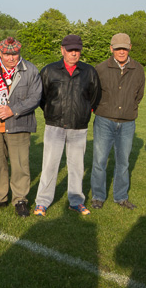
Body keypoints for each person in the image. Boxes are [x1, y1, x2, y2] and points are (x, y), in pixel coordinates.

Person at [33, 35, 101, 217]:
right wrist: (53, 112)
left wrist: (83, 112)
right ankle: (42, 202)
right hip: (54, 125)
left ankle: (76, 201)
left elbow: (95, 97)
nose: (74, 53)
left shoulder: (89, 72)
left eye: (77, 50)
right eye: (70, 50)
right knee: (49, 165)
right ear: (62, 50)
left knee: (77, 167)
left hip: (79, 127)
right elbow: (42, 98)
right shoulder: (49, 70)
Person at [0, 37, 41, 217]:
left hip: (19, 123)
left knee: (20, 164)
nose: (11, 58)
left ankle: (20, 199)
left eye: (14, 54)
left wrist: (13, 110)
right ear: (0, 53)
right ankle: (0, 197)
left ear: (19, 52)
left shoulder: (30, 70)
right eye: (7, 54)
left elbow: (35, 97)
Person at [90, 33, 145, 210]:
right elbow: (93, 93)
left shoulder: (138, 69)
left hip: (127, 122)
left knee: (123, 162)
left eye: (125, 48)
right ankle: (98, 196)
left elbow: (139, 95)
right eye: (118, 48)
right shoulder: (100, 68)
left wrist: (128, 108)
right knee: (99, 161)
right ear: (111, 49)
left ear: (130, 48)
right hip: (104, 119)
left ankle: (121, 197)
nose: (121, 52)